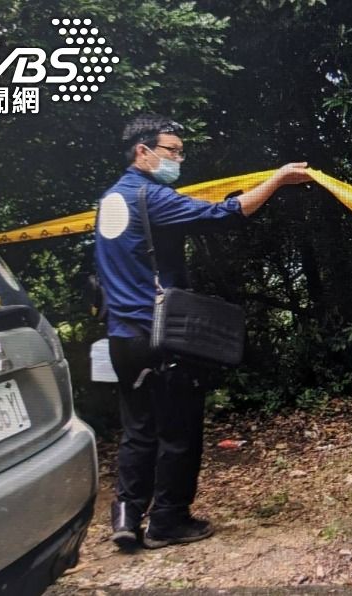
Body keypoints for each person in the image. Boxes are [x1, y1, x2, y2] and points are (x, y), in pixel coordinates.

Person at [94, 113, 311, 550]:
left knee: (139, 430)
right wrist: (278, 180)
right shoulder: (150, 196)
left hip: (122, 338)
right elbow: (225, 214)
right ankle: (168, 522)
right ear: (144, 151)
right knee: (179, 431)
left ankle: (126, 516)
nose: (179, 159)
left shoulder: (110, 199)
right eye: (172, 150)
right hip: (161, 336)